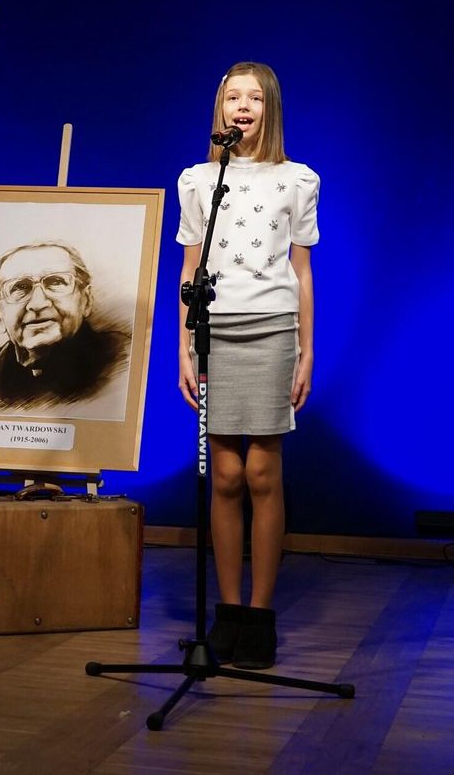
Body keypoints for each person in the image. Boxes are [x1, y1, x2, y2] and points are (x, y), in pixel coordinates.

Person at [176, 61, 319, 670]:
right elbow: (189, 271)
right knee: (225, 476)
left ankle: (260, 615)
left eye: (254, 98)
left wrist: (307, 349)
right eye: (233, 97)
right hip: (215, 331)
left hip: (271, 330)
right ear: (220, 109)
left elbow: (302, 272)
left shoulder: (296, 179)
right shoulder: (198, 180)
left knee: (262, 471)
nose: (243, 106)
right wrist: (184, 347)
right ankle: (228, 613)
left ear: (270, 108)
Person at [0, 241, 129, 413]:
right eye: (20, 287)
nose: (38, 304)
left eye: (56, 282)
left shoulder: (126, 360)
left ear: (86, 301)